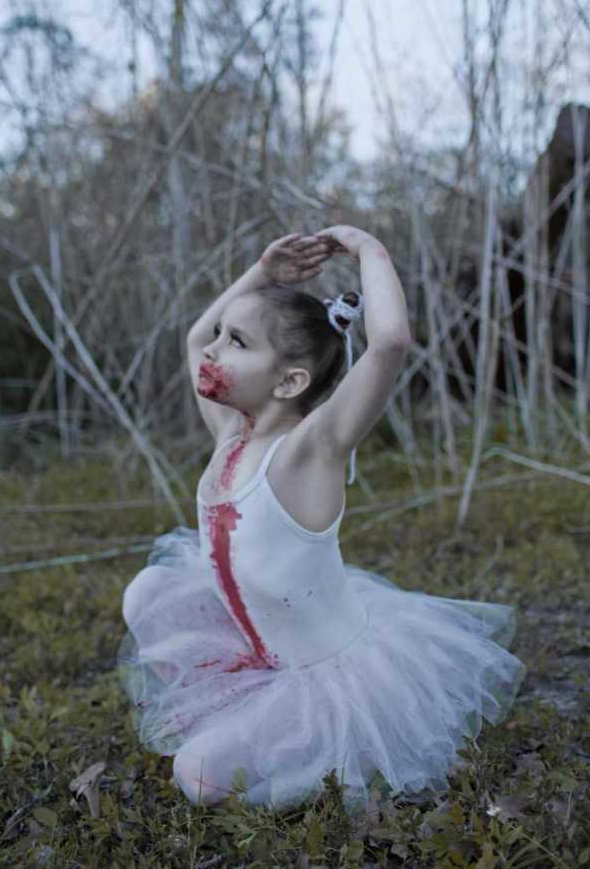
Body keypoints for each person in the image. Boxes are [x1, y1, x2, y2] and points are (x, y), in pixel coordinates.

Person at [118, 226, 526, 812]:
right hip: (261, 636)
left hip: (324, 674)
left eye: (236, 342)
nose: (213, 350)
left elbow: (388, 342)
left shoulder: (309, 452)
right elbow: (192, 337)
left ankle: (331, 750)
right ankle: (240, 695)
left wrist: (367, 250)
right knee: (148, 590)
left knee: (200, 777)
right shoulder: (232, 435)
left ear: (289, 382)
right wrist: (264, 270)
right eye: (223, 338)